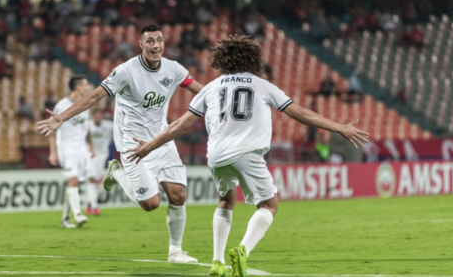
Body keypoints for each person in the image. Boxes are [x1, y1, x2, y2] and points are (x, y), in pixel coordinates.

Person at [125, 35, 369, 277]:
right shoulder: (262, 85)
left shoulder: (211, 87)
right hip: (247, 153)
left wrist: (150, 146)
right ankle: (242, 251)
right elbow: (300, 113)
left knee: (226, 200)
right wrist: (340, 127)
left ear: (223, 60)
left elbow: (180, 125)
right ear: (253, 60)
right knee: (269, 205)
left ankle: (217, 262)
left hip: (217, 155)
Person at [36, 24, 204, 263]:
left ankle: (175, 252)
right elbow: (94, 96)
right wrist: (62, 117)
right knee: (150, 204)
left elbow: (201, 91)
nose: (156, 45)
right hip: (132, 143)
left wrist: (222, 97)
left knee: (178, 195)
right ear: (141, 44)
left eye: (159, 40)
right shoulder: (125, 71)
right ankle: (117, 173)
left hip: (161, 139)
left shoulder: (173, 69)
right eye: (150, 41)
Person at [49, 75, 94, 228]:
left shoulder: (85, 104)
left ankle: (65, 219)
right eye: (86, 85)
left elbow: (86, 128)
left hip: (81, 148)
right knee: (73, 181)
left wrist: (91, 146)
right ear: (78, 87)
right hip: (66, 147)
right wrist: (53, 152)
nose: (88, 87)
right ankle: (78, 214)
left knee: (75, 184)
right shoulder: (62, 106)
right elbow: (52, 129)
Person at [86, 108, 114, 216]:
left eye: (99, 116)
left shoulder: (109, 126)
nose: (98, 118)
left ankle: (90, 203)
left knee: (99, 183)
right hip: (90, 155)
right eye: (96, 116)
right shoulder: (88, 125)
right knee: (91, 179)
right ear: (93, 117)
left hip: (102, 157)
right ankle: (95, 207)